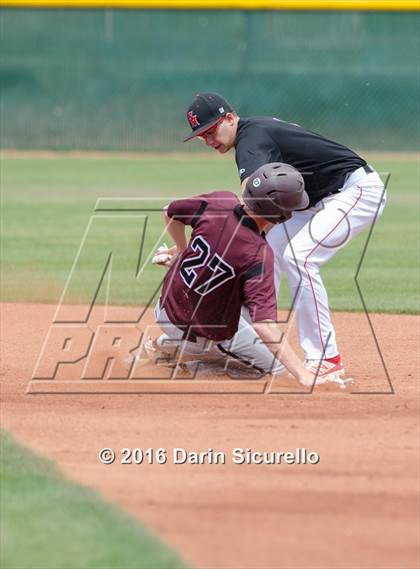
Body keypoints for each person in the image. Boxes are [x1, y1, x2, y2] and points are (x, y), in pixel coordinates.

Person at [183, 92, 387, 377]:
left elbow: (249, 200)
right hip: (314, 201)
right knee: (262, 249)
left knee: (300, 256)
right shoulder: (252, 134)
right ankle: (237, 341)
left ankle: (326, 359)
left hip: (356, 191)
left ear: (229, 118)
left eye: (210, 130)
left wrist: (204, 240)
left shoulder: (250, 139)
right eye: (201, 136)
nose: (207, 140)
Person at [149, 163, 341, 387]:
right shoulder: (258, 254)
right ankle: (179, 360)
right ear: (282, 216)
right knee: (276, 371)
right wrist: (302, 373)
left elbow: (169, 211)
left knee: (240, 307)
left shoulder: (220, 201)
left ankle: (170, 343)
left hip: (164, 308)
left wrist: (181, 252)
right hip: (198, 333)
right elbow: (264, 326)